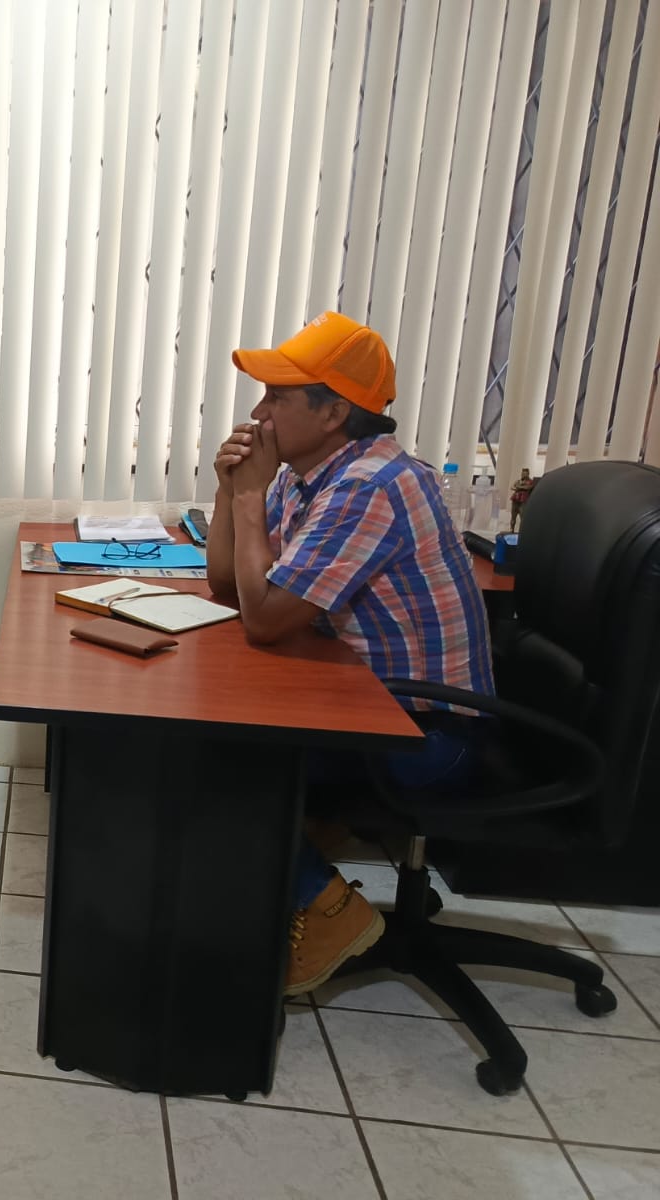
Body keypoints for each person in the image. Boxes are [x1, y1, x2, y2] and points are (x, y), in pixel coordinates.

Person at [206, 312, 495, 995]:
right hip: (371, 704)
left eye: (278, 397)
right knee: (215, 730)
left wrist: (249, 502)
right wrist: (230, 489)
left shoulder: (369, 486)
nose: (259, 413)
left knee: (215, 757)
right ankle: (295, 852)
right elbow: (229, 585)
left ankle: (331, 910)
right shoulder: (311, 474)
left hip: (431, 734)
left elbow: (265, 619)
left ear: (334, 412)